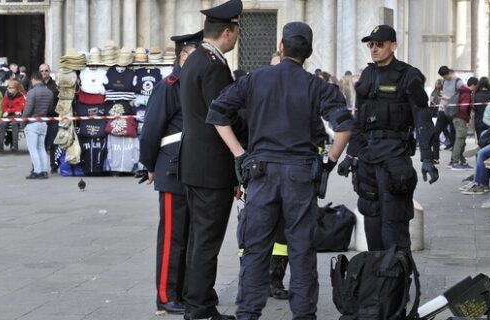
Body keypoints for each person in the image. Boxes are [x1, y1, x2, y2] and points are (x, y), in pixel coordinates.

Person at [207, 21, 353, 320]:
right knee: (301, 250)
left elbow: (217, 113)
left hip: (261, 173)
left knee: (256, 249)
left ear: (281, 47)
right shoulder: (317, 86)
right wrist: (329, 162)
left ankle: (247, 313)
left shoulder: (255, 79)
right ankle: (303, 314)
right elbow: (345, 126)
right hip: (300, 174)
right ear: (309, 52)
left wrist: (239, 154)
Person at [337, 25, 438, 253]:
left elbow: (422, 118)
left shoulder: (408, 75)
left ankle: (397, 283)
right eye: (371, 44)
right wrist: (350, 156)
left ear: (393, 46)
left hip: (395, 161)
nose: (374, 49)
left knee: (393, 227)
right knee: (372, 225)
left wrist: (428, 159)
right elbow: (359, 122)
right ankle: (377, 282)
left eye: (379, 44)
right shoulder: (368, 75)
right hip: (368, 161)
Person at [177, 0, 245, 319]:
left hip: (193, 163)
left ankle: (197, 298)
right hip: (211, 168)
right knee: (207, 241)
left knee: (197, 238)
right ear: (228, 32)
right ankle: (200, 308)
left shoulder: (193, 59)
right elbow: (226, 116)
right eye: (236, 33)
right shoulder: (214, 66)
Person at [139, 30, 204, 316]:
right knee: (172, 238)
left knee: (189, 236)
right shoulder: (169, 86)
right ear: (183, 56)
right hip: (170, 169)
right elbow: (151, 130)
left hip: (192, 169)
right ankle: (166, 296)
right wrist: (150, 165)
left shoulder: (194, 83)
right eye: (195, 54)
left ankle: (184, 291)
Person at [22, 72, 54, 179]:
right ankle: (44, 171)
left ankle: (37, 171)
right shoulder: (49, 92)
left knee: (33, 149)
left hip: (32, 123)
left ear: (33, 79)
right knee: (41, 148)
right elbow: (50, 109)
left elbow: (27, 110)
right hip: (43, 123)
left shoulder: (32, 92)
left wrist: (23, 122)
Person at [434, 66, 463, 166]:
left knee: (454, 135)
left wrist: (448, 98)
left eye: (446, 76)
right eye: (443, 77)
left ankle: (454, 159)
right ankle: (435, 158)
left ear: (449, 72)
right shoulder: (443, 82)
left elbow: (462, 96)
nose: (445, 78)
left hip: (453, 111)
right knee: (435, 133)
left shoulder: (458, 82)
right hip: (442, 110)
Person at [450, 76, 478, 170]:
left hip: (457, 118)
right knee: (460, 140)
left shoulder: (462, 91)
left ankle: (462, 161)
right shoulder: (466, 93)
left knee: (461, 141)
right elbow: (463, 108)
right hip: (460, 119)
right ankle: (455, 162)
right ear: (473, 85)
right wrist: (467, 119)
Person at [39, 64, 60, 174]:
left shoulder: (55, 86)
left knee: (53, 143)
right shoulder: (37, 86)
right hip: (41, 118)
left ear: (49, 71)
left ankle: (54, 166)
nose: (44, 72)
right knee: (41, 143)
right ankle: (41, 167)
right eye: (42, 71)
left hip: (53, 118)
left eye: (46, 70)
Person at [0, 79, 26, 152]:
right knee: (2, 124)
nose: (8, 89)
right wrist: (8, 110)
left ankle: (15, 146)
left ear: (16, 89)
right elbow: (3, 106)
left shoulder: (21, 96)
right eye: (8, 87)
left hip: (16, 115)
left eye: (10, 88)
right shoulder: (6, 95)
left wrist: (8, 110)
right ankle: (0, 145)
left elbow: (20, 107)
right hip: (8, 114)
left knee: (14, 124)